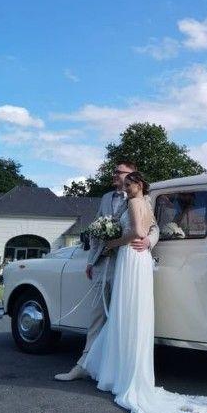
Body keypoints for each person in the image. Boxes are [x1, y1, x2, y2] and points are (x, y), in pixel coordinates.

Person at [82, 171, 207, 413]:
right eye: (123, 183)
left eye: (129, 183)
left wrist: (111, 242)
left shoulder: (136, 203)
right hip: (138, 259)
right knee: (130, 314)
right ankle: (124, 370)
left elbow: (137, 232)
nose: (124, 187)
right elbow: (144, 229)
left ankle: (121, 373)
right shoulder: (145, 203)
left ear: (139, 184)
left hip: (131, 257)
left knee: (127, 314)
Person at [54, 160, 159, 381]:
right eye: (114, 172)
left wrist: (148, 241)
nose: (114, 175)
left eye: (119, 172)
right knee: (97, 316)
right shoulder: (105, 198)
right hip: (103, 263)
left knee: (123, 317)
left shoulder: (142, 199)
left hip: (126, 263)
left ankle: (117, 370)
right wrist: (91, 260)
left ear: (133, 176)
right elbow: (96, 229)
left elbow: (152, 228)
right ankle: (83, 364)